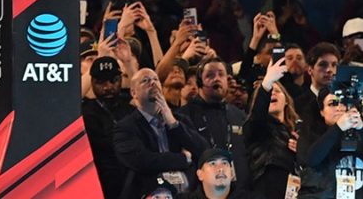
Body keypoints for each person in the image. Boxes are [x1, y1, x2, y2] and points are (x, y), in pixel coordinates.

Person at [113, 68, 209, 198]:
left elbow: (204, 151)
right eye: (145, 80)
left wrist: (174, 124)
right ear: (133, 92)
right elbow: (142, 161)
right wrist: (183, 159)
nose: (152, 83)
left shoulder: (179, 120)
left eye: (155, 79)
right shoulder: (125, 127)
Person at [177, 57, 252, 194]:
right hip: (200, 192)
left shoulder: (239, 115)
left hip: (239, 192)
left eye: (221, 74)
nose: (216, 79)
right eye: (210, 75)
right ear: (200, 83)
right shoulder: (184, 115)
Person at [297, 85, 363, 199]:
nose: (339, 107)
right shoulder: (310, 133)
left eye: (343, 103)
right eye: (332, 104)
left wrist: (362, 127)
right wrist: (338, 128)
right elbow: (310, 159)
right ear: (322, 112)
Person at [243, 56, 299, 197]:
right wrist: (266, 83)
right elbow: (257, 116)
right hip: (267, 188)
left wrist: (302, 152)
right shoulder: (257, 127)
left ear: (286, 101)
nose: (273, 92)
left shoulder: (297, 132)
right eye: (270, 91)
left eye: (278, 91)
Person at [82, 56, 135, 198]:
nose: (108, 87)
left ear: (121, 79)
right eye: (101, 82)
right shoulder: (84, 113)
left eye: (113, 80)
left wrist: (128, 62)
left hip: (132, 183)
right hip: (97, 182)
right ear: (92, 82)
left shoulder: (131, 110)